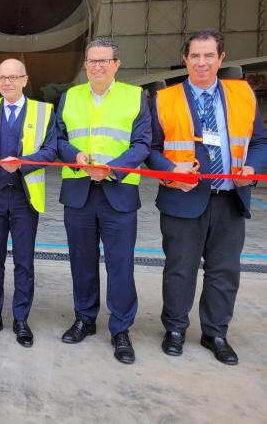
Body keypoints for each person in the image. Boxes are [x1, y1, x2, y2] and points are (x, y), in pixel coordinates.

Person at [146, 29, 267, 365]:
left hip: (230, 199)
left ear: (221, 58)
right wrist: (172, 171)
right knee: (179, 269)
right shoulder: (165, 99)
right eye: (195, 56)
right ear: (185, 59)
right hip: (182, 199)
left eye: (209, 55)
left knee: (224, 271)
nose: (201, 62)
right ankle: (175, 329)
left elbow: (259, 142)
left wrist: (251, 168)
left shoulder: (243, 94)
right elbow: (152, 151)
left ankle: (215, 332)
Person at [56, 38, 151, 364]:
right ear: (85, 64)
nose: (97, 66)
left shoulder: (135, 97)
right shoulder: (69, 97)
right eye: (92, 61)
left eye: (104, 61)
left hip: (118, 192)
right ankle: (84, 318)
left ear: (116, 64)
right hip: (79, 192)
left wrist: (112, 170)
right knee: (81, 261)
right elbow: (58, 139)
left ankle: (121, 328)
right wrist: (76, 156)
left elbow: (142, 144)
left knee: (120, 264)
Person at [0, 58, 57, 347]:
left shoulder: (44, 111)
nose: (7, 82)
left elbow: (51, 150)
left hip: (24, 197)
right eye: (1, 78)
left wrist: (22, 165)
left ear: (24, 79)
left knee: (24, 261)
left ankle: (21, 318)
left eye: (13, 77)